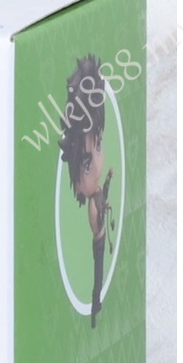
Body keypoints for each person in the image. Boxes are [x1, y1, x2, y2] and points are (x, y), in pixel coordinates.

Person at [59, 56, 115, 328]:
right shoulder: (93, 206)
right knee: (98, 267)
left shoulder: (97, 192)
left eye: (99, 147)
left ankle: (96, 301)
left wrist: (108, 182)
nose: (98, 166)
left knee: (99, 270)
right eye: (86, 164)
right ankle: (95, 300)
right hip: (99, 240)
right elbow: (98, 224)